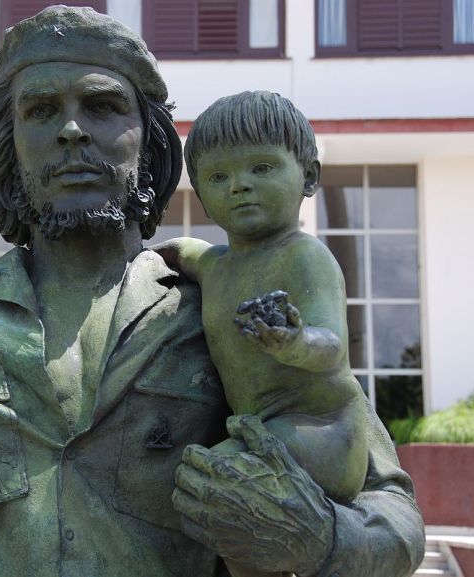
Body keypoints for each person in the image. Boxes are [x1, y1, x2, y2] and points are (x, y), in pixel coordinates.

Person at [0, 7, 424, 577]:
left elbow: (391, 513)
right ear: (11, 145)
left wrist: (322, 539)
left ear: (149, 142)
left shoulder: (233, 310)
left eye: (102, 106)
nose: (72, 130)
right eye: (42, 111)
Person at [156, 92, 368, 515]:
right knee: (201, 493)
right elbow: (181, 251)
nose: (239, 185)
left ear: (309, 176)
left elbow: (331, 345)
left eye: (261, 168)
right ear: (200, 196)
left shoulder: (304, 256)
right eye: (218, 177)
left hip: (322, 432)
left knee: (211, 481)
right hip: (260, 431)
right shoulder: (214, 265)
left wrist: (295, 343)